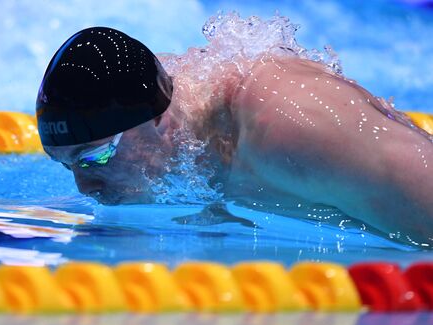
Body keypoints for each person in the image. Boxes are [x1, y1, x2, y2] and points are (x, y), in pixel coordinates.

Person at [37, 26, 433, 245]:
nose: (85, 185)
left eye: (95, 157)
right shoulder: (174, 109)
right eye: (66, 164)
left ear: (158, 121)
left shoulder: (290, 132)